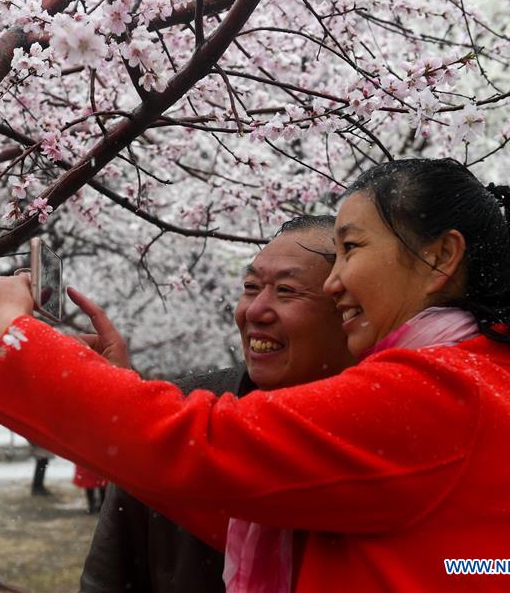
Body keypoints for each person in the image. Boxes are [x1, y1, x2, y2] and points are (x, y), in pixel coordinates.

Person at [0, 158, 510, 591]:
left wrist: (16, 336)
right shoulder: (485, 369)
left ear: (441, 256)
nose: (335, 282)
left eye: (352, 249)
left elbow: (208, 447)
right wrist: (114, 392)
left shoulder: (441, 386)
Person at [80, 216, 355, 592]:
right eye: (250, 287)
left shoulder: (379, 432)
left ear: (348, 309)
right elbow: (108, 578)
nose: (254, 311)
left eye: (287, 291)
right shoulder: (175, 414)